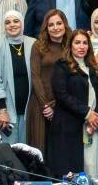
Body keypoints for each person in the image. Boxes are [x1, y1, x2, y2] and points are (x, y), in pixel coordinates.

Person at [49, 29, 98, 177]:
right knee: (72, 172)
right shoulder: (62, 65)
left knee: (92, 167)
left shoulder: (95, 68)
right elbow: (61, 95)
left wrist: (96, 117)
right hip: (69, 127)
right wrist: (87, 114)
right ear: (70, 45)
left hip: (92, 126)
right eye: (77, 43)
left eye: (85, 43)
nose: (81, 46)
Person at [0, 10, 34, 146]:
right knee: (8, 151)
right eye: (7, 22)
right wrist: (2, 110)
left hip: (30, 110)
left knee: (27, 151)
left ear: (22, 23)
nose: (12, 25)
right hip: (7, 111)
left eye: (16, 21)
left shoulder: (34, 44)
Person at [25, 9, 70, 150]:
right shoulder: (38, 46)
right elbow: (35, 77)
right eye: (51, 25)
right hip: (40, 104)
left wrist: (55, 105)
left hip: (63, 104)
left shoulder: (70, 46)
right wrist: (46, 106)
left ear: (65, 25)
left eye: (59, 23)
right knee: (39, 148)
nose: (55, 27)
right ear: (46, 27)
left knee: (60, 149)